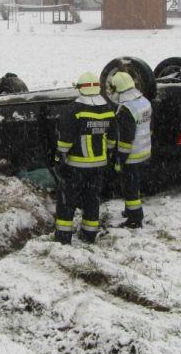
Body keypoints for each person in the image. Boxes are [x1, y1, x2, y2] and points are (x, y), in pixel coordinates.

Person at [53, 71, 116, 245]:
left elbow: (65, 139)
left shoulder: (74, 109)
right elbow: (112, 139)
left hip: (76, 166)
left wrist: (59, 158)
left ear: (80, 88)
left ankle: (63, 237)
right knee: (92, 200)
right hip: (99, 166)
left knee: (67, 201)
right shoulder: (108, 109)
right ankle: (89, 234)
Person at [107, 72, 152, 228]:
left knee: (129, 188)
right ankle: (129, 210)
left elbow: (126, 140)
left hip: (132, 156)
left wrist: (119, 159)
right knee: (135, 184)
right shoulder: (144, 101)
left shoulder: (126, 110)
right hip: (145, 151)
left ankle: (135, 218)